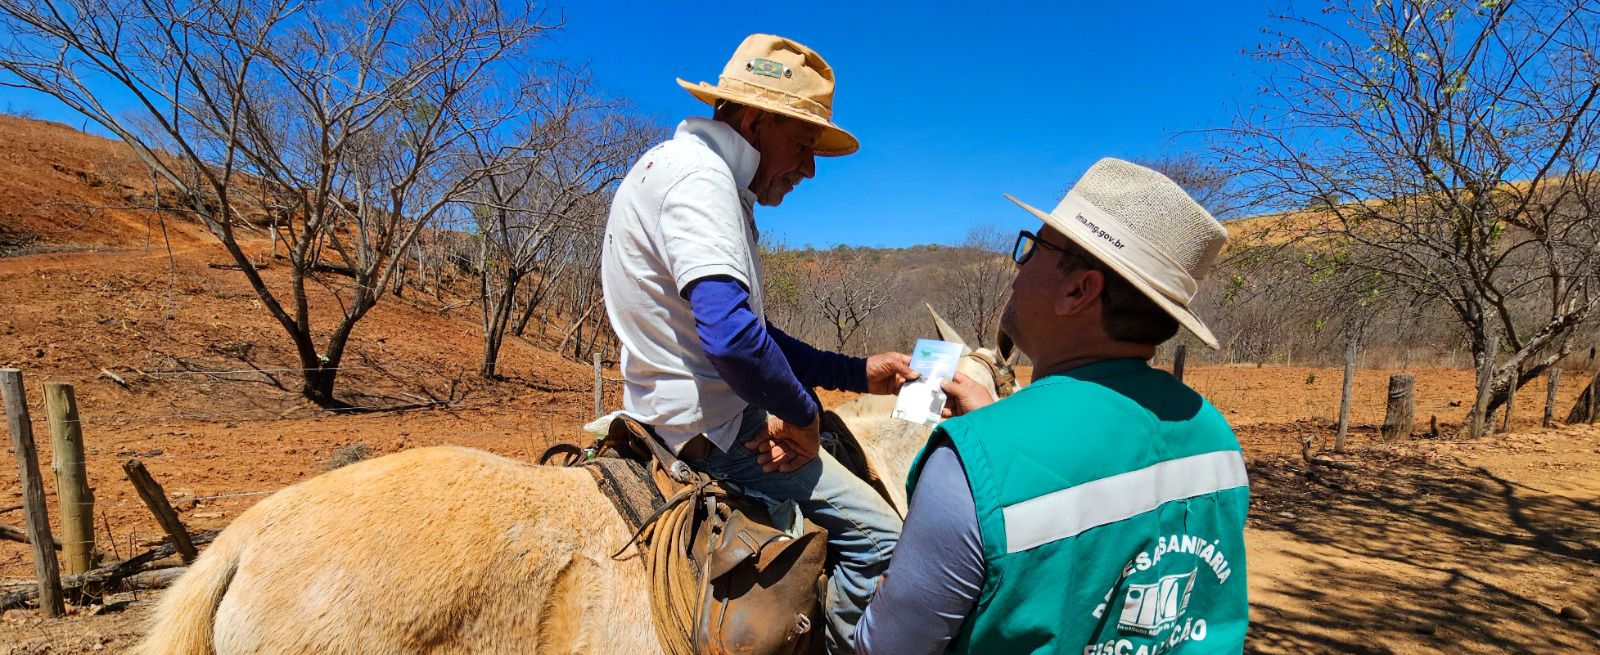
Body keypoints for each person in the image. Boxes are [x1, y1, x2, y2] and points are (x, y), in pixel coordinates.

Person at [856, 158, 1250, 654]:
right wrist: (993, 426)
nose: (1018, 266)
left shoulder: (971, 462)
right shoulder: (1213, 434)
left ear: (1079, 289)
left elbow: (887, 647)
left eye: (1034, 248)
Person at [600, 33, 913, 653]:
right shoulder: (702, 179)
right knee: (885, 539)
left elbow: (752, 332)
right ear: (755, 118)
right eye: (802, 142)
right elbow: (736, 342)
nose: (809, 166)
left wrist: (856, 371)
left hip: (672, 410)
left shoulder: (678, 168)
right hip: (717, 431)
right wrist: (803, 412)